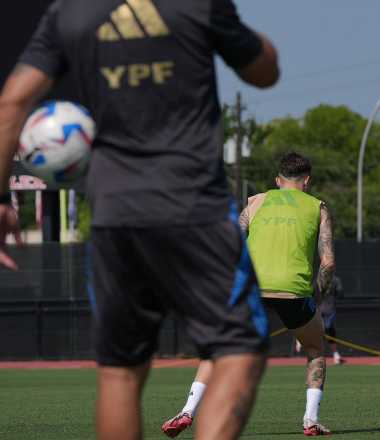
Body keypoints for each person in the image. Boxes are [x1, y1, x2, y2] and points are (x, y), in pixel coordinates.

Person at [0, 1, 278, 438]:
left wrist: (2, 199)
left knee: (120, 373)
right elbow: (264, 72)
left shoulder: (70, 12)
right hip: (194, 206)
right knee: (239, 349)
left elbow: (12, 102)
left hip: (115, 215)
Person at [162, 152, 335, 437]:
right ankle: (310, 420)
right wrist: (316, 297)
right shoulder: (318, 207)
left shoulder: (255, 201)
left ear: (278, 181)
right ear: (307, 181)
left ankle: (188, 410)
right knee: (315, 351)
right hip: (294, 291)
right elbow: (327, 262)